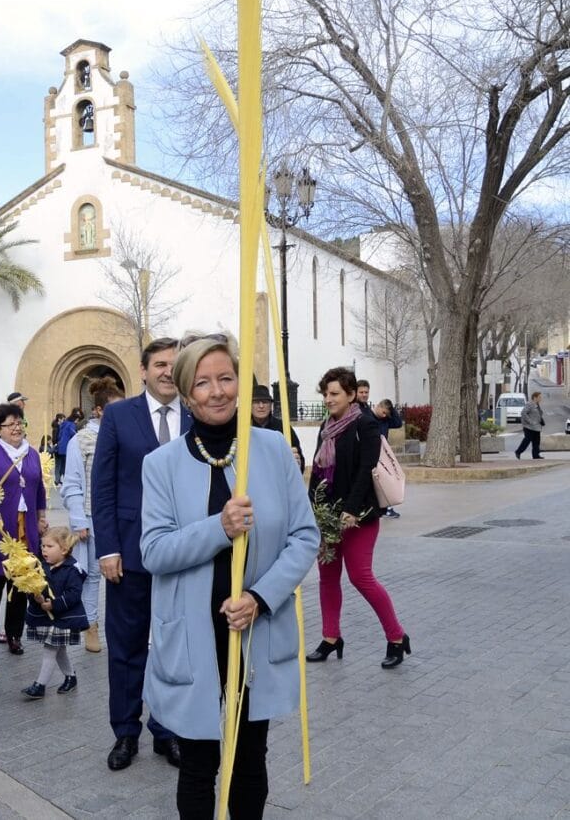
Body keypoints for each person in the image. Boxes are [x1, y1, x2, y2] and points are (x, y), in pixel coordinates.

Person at [140, 332, 319, 820]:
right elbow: (154, 551)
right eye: (203, 382)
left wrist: (260, 597)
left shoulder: (273, 449)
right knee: (198, 764)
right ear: (184, 391)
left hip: (253, 628)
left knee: (249, 760)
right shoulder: (161, 465)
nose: (217, 391)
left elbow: (304, 537)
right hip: (195, 636)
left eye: (226, 378)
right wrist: (218, 526)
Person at [92, 336, 186, 770]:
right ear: (144, 370)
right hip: (128, 555)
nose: (169, 371)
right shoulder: (118, 416)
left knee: (175, 647)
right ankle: (124, 733)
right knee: (127, 647)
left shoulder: (196, 414)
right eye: (161, 364)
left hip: (185, 556)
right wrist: (107, 548)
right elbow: (104, 487)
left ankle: (166, 731)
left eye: (175, 364)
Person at [307, 366, 412, 669]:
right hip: (327, 516)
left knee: (360, 577)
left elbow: (367, 470)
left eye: (335, 393)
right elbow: (318, 469)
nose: (328, 399)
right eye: (325, 393)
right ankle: (331, 638)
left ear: (351, 394)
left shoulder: (365, 424)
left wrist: (351, 510)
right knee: (327, 578)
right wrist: (312, 507)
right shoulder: (327, 426)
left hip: (359, 516)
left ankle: (396, 637)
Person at [0, 402, 48, 656]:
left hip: (25, 527)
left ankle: (14, 634)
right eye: (10, 424)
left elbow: (39, 489)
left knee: (21, 585)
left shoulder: (33, 454)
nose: (17, 428)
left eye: (20, 423)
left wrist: (41, 516)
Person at [61, 376, 124, 653]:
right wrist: (78, 519)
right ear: (98, 410)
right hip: (92, 516)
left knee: (125, 572)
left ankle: (121, 625)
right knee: (94, 574)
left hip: (123, 515)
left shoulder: (126, 435)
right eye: (113, 409)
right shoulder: (82, 440)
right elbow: (72, 482)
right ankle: (91, 625)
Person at [20, 525, 88, 699]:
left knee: (50, 649)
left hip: (64, 618)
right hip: (50, 618)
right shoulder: (41, 567)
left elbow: (74, 595)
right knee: (59, 650)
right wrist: (36, 598)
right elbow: (37, 588)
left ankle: (40, 685)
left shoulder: (73, 570)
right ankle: (71, 677)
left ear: (64, 550)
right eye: (43, 546)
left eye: (49, 547)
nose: (44, 550)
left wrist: (54, 604)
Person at [251, 384, 305, 473]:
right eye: (256, 402)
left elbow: (299, 461)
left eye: (265, 402)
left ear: (271, 405)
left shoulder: (283, 427)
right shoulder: (242, 429)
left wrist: (297, 463)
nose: (261, 406)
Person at [371, 399, 404, 517]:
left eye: (387, 414)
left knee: (386, 480)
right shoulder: (370, 418)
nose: (385, 415)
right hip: (372, 453)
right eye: (384, 412)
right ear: (379, 407)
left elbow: (398, 423)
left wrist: (391, 409)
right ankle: (379, 508)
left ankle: (387, 507)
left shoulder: (385, 420)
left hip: (383, 453)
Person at [515, 391, 546, 460]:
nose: (540, 399)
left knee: (536, 442)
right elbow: (523, 413)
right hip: (529, 427)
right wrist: (530, 421)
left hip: (537, 427)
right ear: (535, 398)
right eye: (539, 397)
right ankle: (518, 451)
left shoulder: (537, 405)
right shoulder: (530, 404)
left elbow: (538, 414)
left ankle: (536, 455)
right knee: (527, 440)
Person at [54, 409, 82, 486]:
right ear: (75, 419)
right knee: (66, 464)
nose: (77, 422)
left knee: (61, 464)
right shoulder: (71, 425)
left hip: (61, 446)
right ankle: (67, 479)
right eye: (77, 420)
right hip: (67, 447)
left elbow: (60, 435)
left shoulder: (64, 423)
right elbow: (74, 434)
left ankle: (59, 479)